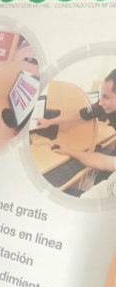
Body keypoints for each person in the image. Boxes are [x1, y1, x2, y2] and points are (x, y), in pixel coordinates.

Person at [37, 68, 116, 198]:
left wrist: (70, 151)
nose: (101, 102)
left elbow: (104, 162)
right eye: (101, 95)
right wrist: (50, 122)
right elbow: (78, 115)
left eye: (106, 97)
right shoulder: (102, 106)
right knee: (101, 179)